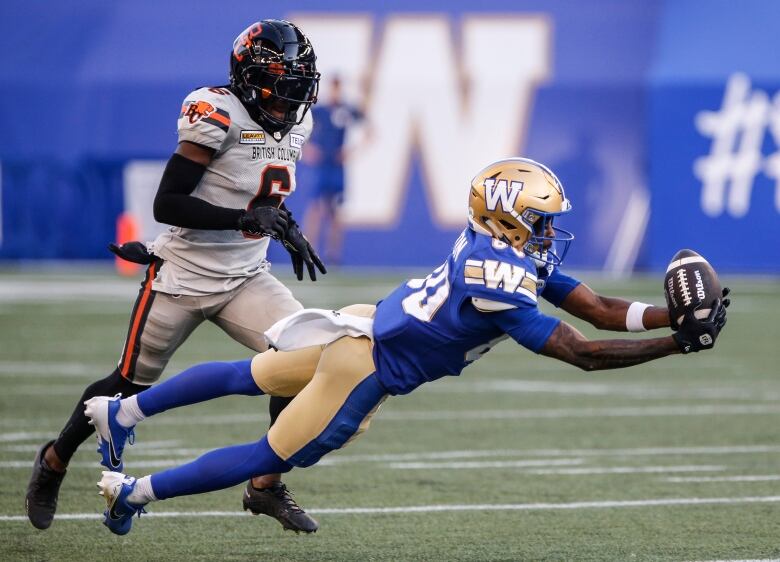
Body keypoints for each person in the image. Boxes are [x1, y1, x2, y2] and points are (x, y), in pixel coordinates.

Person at [82, 157, 729, 535]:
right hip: (368, 365)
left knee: (248, 375)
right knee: (268, 451)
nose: (551, 231)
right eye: (541, 220)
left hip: (367, 325)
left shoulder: (500, 246)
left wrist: (665, 315)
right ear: (508, 217)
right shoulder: (498, 273)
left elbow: (596, 307)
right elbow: (581, 350)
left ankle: (124, 412)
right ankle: (131, 493)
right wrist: (679, 343)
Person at [25, 19, 326, 534]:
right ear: (249, 78)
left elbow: (258, 193)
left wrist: (285, 226)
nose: (286, 105)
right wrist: (243, 220)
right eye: (279, 90)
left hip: (247, 277)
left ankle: (265, 486)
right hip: (182, 276)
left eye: (296, 91)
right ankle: (53, 461)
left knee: (304, 361)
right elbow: (168, 203)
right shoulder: (215, 111)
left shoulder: (298, 124)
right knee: (126, 383)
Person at [302, 75, 366, 264]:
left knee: (336, 211)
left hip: (337, 167)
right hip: (322, 166)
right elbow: (298, 130)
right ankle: (308, 249)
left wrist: (351, 151)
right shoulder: (319, 111)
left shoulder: (346, 110)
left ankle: (333, 254)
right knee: (316, 208)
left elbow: (370, 130)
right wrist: (308, 149)